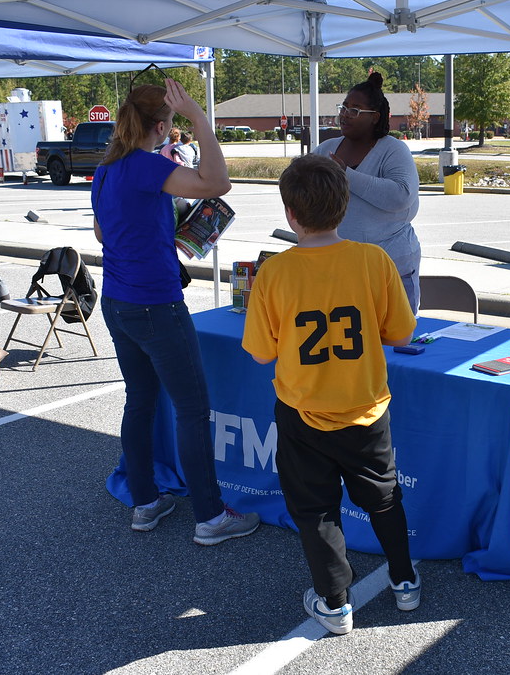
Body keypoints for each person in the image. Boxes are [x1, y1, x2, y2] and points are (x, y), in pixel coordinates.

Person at [242, 154, 421, 635]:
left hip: (303, 414)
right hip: (365, 410)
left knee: (315, 509)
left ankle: (334, 603)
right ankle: (404, 581)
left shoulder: (275, 273)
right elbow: (402, 335)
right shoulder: (374, 260)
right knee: (383, 499)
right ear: (344, 205)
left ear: (290, 214)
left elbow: (261, 355)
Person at [91, 79, 260, 543]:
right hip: (155, 303)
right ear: (163, 126)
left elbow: (104, 234)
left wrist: (154, 229)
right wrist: (201, 120)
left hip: (118, 301)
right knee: (191, 409)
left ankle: (144, 503)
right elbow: (217, 182)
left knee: (139, 401)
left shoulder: (108, 169)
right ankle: (210, 516)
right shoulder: (146, 167)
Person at [313, 72, 422, 313]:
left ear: (374, 117)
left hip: (390, 269)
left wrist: (345, 174)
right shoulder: (326, 149)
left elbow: (401, 196)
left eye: (355, 109)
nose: (344, 114)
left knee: (394, 341)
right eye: (344, 107)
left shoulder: (393, 150)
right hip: (337, 270)